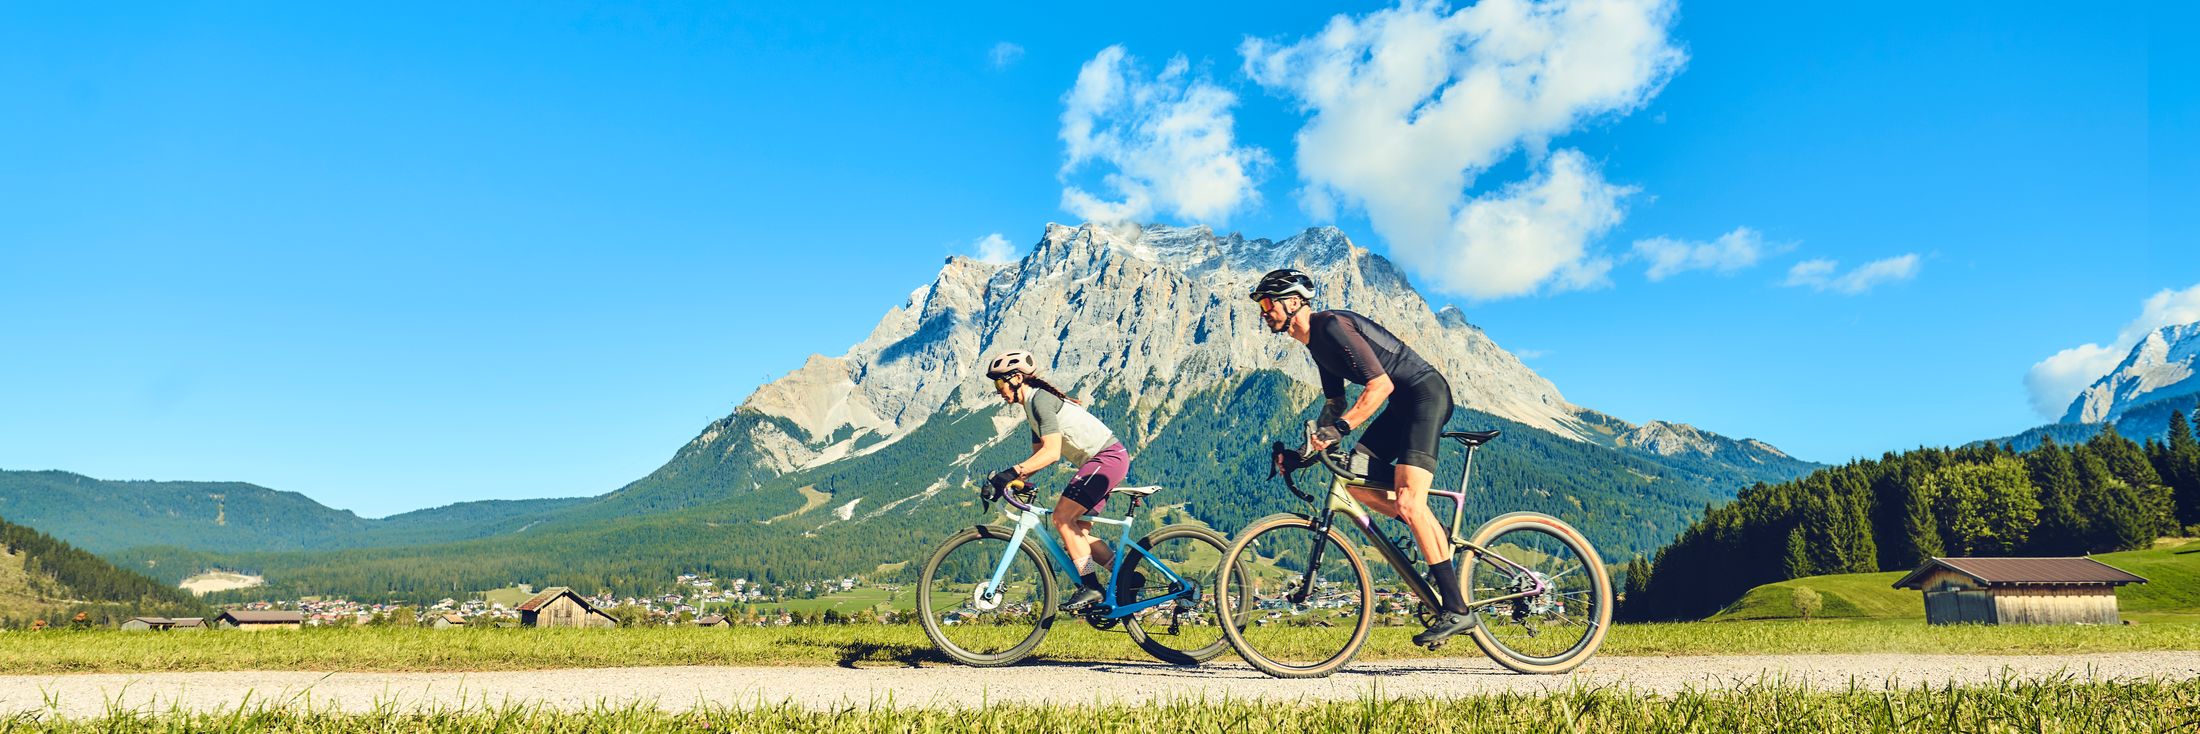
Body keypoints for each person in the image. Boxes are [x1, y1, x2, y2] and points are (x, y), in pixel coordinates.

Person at [1249, 268, 1475, 646]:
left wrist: (1341, 429)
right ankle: (1428, 532)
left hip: (1423, 396)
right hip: (1399, 407)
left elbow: (1381, 384)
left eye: (1268, 302)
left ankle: (1457, 609)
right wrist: (1305, 452)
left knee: (1408, 500)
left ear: (1293, 302)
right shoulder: (1314, 344)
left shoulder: (1332, 325)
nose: (1263, 311)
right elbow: (1335, 404)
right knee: (1358, 482)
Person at [983, 350, 1136, 610]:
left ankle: (1092, 587)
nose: (998, 390)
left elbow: (1052, 453)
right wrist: (1013, 481)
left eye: (1000, 383)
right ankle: (1127, 578)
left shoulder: (1040, 400)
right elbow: (1036, 458)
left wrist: (1010, 473)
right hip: (1104, 461)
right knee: (1076, 534)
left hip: (1106, 458)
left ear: (1017, 378)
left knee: (1062, 519)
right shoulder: (1032, 409)